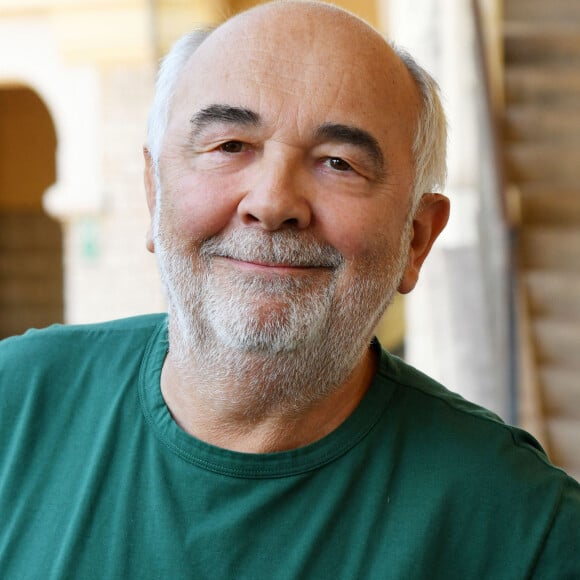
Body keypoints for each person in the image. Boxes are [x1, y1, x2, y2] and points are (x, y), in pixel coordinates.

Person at [1, 1, 578, 578]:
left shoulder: (524, 531)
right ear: (155, 195)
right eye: (230, 147)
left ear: (416, 238)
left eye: (338, 163)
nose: (272, 203)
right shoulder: (16, 405)